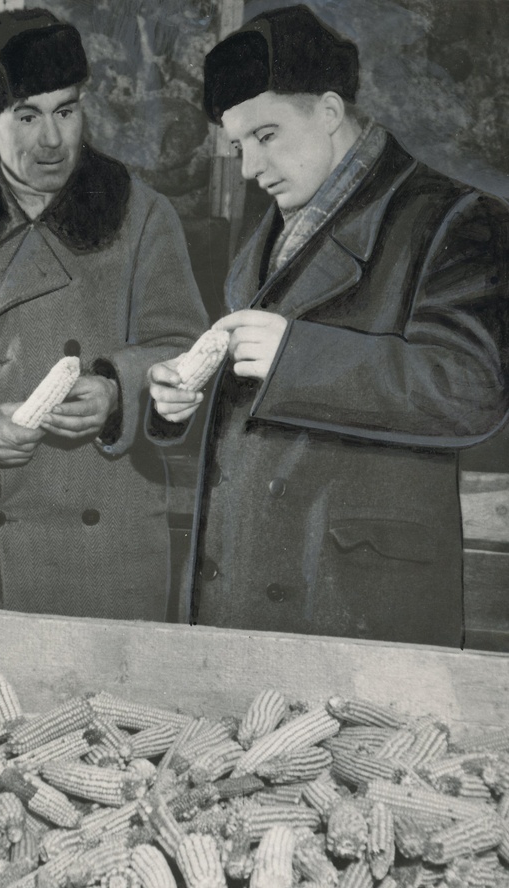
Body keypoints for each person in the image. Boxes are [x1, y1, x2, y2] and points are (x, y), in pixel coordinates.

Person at [149, 4, 509, 646]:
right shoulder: (265, 241)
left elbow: (471, 391)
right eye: (238, 147)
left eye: (266, 135)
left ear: (330, 110)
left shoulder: (460, 218)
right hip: (240, 586)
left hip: (359, 603)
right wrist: (180, 404)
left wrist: (297, 356)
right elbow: (252, 423)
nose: (252, 169)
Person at [0, 8, 208, 620]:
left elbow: (183, 351)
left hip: (108, 557)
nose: (53, 140)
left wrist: (117, 393)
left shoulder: (145, 217)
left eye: (66, 110)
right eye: (27, 116)